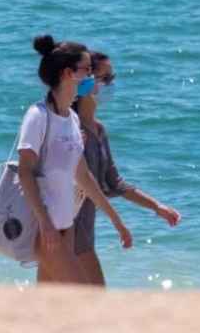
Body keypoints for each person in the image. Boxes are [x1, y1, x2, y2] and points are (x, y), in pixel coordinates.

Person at [18, 35, 133, 284]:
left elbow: (84, 178)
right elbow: (24, 171)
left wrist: (117, 222)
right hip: (45, 229)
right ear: (69, 73)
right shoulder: (38, 116)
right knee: (80, 295)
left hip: (65, 225)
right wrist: (45, 223)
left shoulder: (70, 119)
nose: (91, 77)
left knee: (51, 300)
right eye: (87, 70)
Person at [71, 51, 181, 286]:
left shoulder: (98, 131)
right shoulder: (71, 128)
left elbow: (114, 183)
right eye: (106, 78)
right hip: (66, 226)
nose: (111, 85)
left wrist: (156, 206)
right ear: (87, 81)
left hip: (84, 229)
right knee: (92, 293)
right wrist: (117, 223)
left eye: (112, 78)